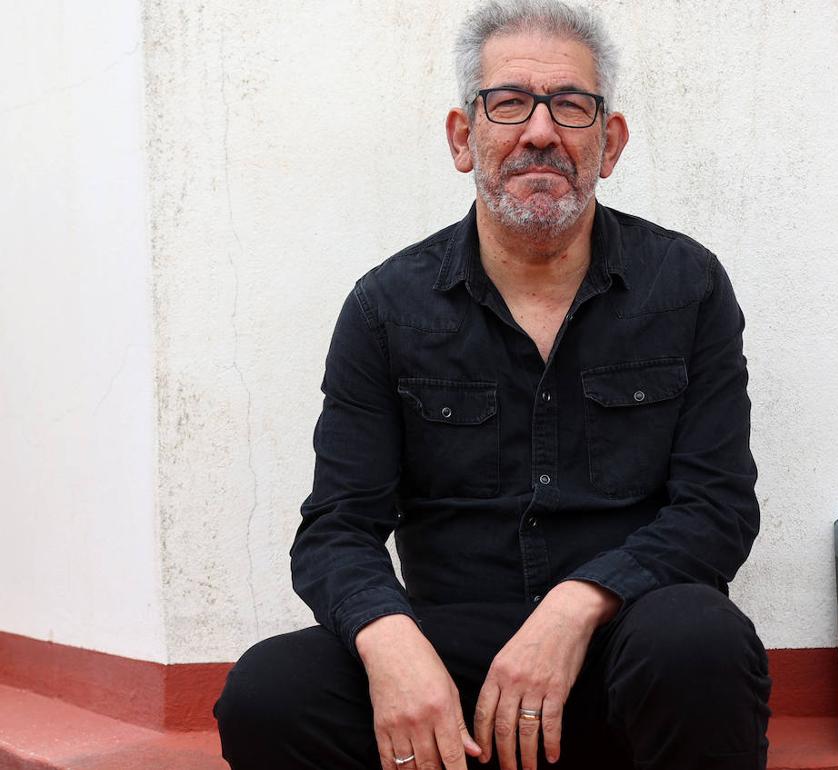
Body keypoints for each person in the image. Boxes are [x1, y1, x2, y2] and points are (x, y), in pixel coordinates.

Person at [213, 2, 770, 768]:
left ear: (608, 144)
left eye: (571, 106)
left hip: (625, 658)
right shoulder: (386, 308)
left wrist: (579, 603)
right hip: (455, 675)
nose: (540, 132)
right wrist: (390, 641)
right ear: (462, 136)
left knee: (699, 637)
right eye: (507, 103)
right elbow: (336, 529)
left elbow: (717, 511)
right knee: (269, 693)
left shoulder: (686, 286)